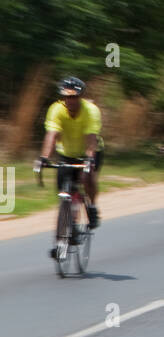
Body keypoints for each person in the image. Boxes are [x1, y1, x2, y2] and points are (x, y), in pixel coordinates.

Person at [37, 76, 104, 236]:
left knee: (86, 178)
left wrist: (88, 159)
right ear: (63, 97)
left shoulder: (91, 111)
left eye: (74, 97)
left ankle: (92, 207)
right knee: (64, 190)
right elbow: (52, 135)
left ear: (80, 97)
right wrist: (44, 158)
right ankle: (70, 223)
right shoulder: (56, 109)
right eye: (67, 97)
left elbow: (91, 139)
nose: (71, 100)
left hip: (90, 151)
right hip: (66, 153)